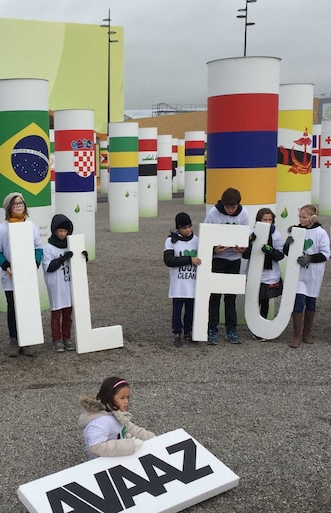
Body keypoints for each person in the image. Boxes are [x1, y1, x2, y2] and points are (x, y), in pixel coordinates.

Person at [0, 192, 43, 357]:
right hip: (10, 277)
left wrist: (35, 263)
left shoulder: (31, 226)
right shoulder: (2, 228)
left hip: (27, 276)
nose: (19, 206)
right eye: (15, 204)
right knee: (13, 308)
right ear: (9, 207)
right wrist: (7, 266)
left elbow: (38, 248)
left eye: (21, 203)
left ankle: (26, 341)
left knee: (27, 306)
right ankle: (14, 340)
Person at [203, 187, 249, 344]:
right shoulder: (213, 213)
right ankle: (212, 329)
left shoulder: (244, 214)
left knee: (231, 296)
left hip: (234, 259)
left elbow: (245, 236)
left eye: (233, 207)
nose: (230, 211)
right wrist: (214, 250)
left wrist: (242, 249)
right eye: (228, 207)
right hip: (218, 259)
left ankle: (232, 329)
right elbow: (205, 236)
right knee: (215, 296)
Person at [284, 204, 330, 348]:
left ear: (312, 217)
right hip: (299, 273)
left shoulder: (321, 233)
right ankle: (296, 334)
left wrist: (310, 258)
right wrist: (287, 244)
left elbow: (326, 254)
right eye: (300, 217)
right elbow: (287, 252)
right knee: (298, 302)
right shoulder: (297, 231)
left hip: (313, 274)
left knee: (310, 302)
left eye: (304, 217)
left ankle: (307, 333)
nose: (301, 219)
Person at [77, 377, 155, 459]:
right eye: (122, 398)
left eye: (127, 397)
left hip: (117, 457)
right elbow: (96, 447)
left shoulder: (116, 414)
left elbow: (133, 429)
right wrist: (131, 445)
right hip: (105, 464)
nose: (126, 402)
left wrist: (153, 438)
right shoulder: (99, 422)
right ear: (109, 397)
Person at [43, 213, 86, 352]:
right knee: (56, 314)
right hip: (56, 286)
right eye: (60, 231)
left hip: (68, 284)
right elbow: (48, 267)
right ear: (54, 231)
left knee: (68, 314)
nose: (62, 234)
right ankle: (57, 339)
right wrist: (62, 259)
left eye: (65, 231)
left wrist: (83, 257)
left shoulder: (71, 245)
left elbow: (78, 265)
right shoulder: (48, 248)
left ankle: (67, 338)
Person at [243, 208, 285, 339]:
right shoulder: (251, 233)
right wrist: (250, 242)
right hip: (255, 273)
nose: (267, 222)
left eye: (270, 220)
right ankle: (254, 327)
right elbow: (245, 254)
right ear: (258, 220)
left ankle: (262, 329)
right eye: (264, 219)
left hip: (269, 274)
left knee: (265, 301)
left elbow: (280, 256)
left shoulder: (276, 235)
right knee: (254, 300)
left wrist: (270, 251)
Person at [164, 212, 201, 347]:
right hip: (178, 284)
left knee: (190, 311)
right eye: (184, 227)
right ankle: (177, 333)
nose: (188, 230)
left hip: (192, 283)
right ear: (178, 228)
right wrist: (189, 260)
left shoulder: (197, 240)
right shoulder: (170, 241)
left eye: (189, 227)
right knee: (177, 311)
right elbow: (168, 260)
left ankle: (188, 332)